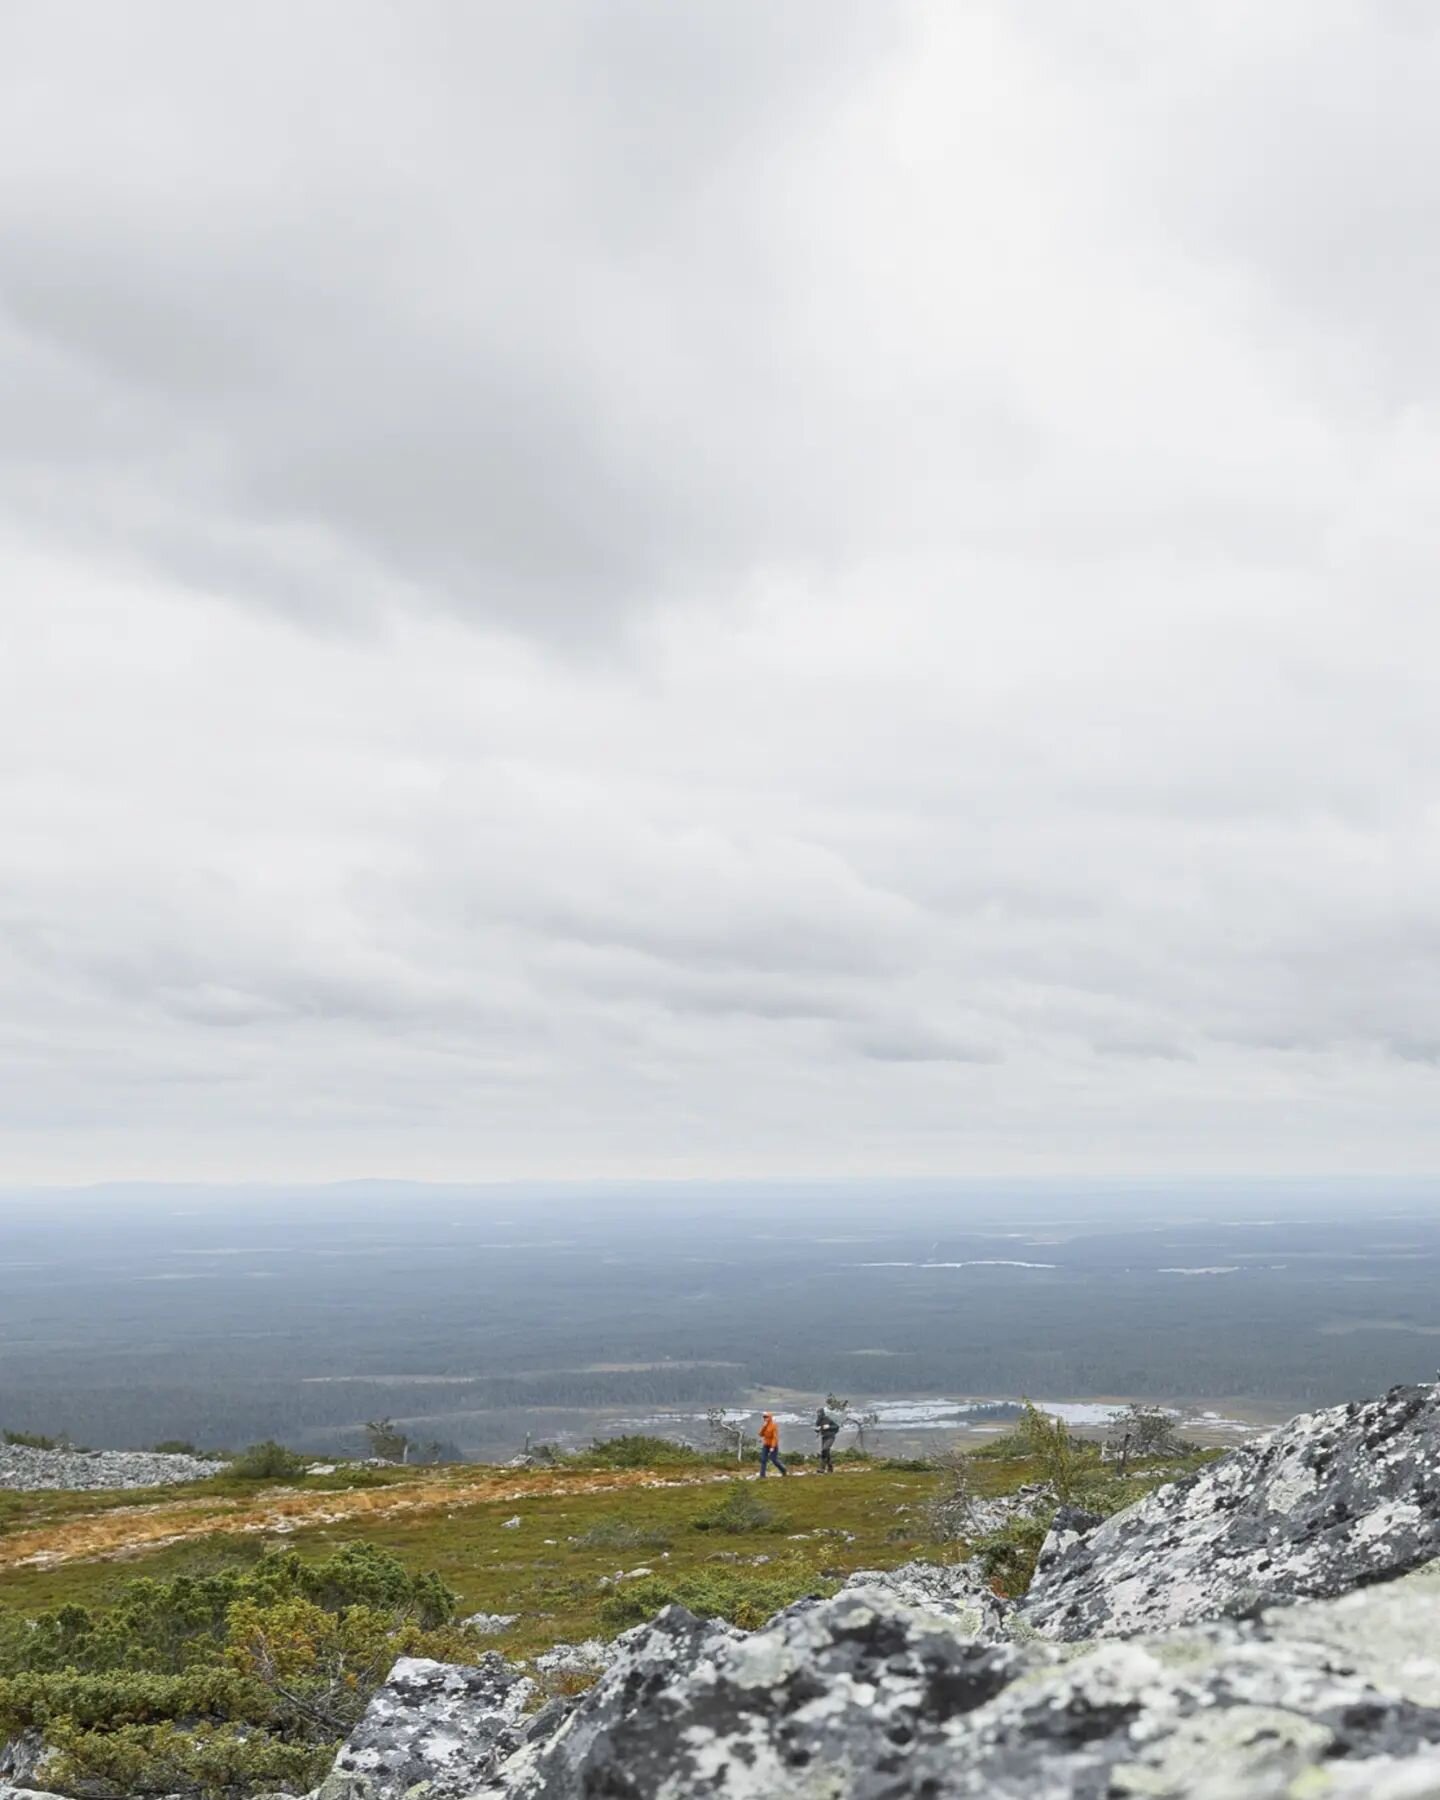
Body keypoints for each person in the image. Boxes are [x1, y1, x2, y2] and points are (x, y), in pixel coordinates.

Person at [757, 1411, 788, 1477]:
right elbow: (760, 1434)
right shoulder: (764, 1425)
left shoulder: (774, 1425)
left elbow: (775, 1437)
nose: (765, 1418)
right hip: (766, 1444)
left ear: (770, 1417)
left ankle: (783, 1470)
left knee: (774, 1460)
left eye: (766, 1417)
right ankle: (762, 1476)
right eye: (764, 1417)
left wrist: (772, 1447)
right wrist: (764, 1427)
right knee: (763, 1460)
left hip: (773, 1445)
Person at [814, 1405, 839, 1473]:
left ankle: (822, 1469)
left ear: (822, 1412)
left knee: (824, 1450)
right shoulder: (818, 1421)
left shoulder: (827, 1419)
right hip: (824, 1438)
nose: (818, 1414)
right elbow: (818, 1429)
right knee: (826, 1452)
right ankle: (830, 1468)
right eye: (817, 1413)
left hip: (831, 1437)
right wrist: (817, 1430)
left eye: (819, 1412)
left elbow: (836, 1426)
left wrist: (829, 1427)